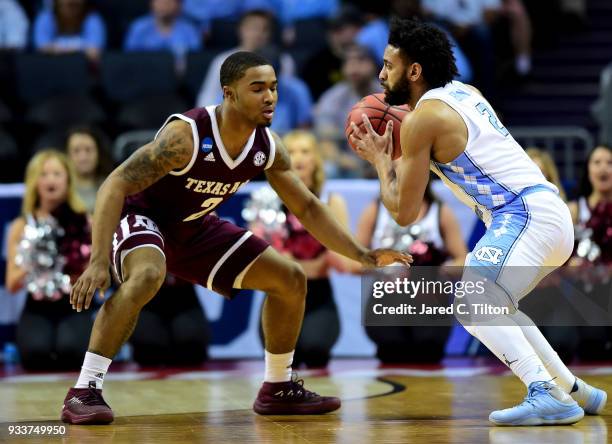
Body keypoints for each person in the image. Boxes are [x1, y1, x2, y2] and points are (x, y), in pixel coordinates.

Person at [60, 50, 411, 424]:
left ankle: (278, 387)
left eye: (273, 88)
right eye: (257, 88)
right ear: (228, 94)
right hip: (142, 217)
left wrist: (363, 254)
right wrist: (98, 260)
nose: (270, 97)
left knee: (290, 279)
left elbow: (307, 207)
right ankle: (84, 390)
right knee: (148, 274)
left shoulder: (266, 146)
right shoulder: (187, 136)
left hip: (194, 226)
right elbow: (115, 183)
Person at [349, 17, 606, 426]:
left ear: (414, 71)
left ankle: (545, 394)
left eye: (388, 65)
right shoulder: (465, 92)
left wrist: (382, 160)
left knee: (473, 303)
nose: (380, 75)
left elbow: (403, 213)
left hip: (522, 215)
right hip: (546, 213)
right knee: (498, 305)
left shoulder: (423, 119)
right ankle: (573, 389)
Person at [251, 130, 346, 367]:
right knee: (282, 356)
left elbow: (345, 260)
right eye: (291, 152)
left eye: (305, 151)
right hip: (279, 295)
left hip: (319, 295)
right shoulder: (267, 199)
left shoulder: (331, 200)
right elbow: (255, 257)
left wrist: (295, 262)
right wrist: (308, 264)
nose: (298, 158)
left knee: (314, 349)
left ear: (316, 160)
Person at [357, 183, 468, 363]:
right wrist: (386, 267)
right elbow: (352, 261)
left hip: (428, 302)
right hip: (388, 301)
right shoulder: (375, 210)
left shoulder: (439, 210)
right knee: (392, 345)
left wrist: (435, 268)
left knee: (428, 347)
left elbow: (463, 261)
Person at [5, 150, 92, 370]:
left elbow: (95, 276)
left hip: (74, 305)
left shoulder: (85, 221)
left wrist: (76, 264)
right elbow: (12, 285)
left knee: (71, 353)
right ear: (34, 182)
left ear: (68, 180)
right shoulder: (21, 226)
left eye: (56, 173)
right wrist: (34, 257)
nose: (50, 179)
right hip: (37, 308)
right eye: (44, 174)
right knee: (35, 356)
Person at [124, 0, 201, 61]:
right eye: (160, 1)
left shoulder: (189, 30)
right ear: (152, 3)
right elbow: (129, 58)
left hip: (179, 78)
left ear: (178, 5)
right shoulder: (139, 28)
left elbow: (195, 59)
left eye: (168, 2)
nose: (163, 5)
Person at [33, 0, 106, 62]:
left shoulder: (92, 18)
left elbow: (94, 51)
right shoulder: (46, 17)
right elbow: (42, 48)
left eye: (75, 5)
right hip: (51, 69)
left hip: (82, 71)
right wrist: (81, 49)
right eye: (69, 4)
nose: (72, 2)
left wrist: (56, 49)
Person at [65, 125, 113, 214]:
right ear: (67, 155)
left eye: (88, 150)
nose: (83, 157)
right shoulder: (60, 189)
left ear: (98, 153)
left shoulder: (111, 187)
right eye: (76, 151)